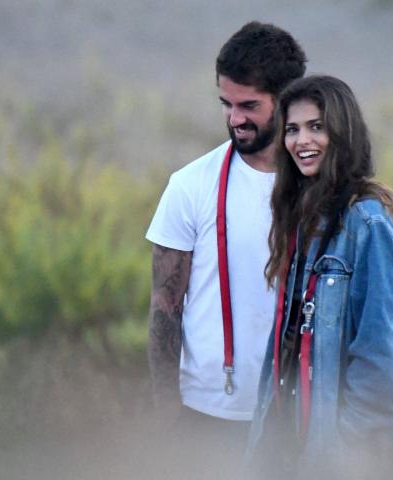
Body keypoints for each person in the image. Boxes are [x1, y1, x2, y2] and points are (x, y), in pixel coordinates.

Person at [144, 21, 307, 477]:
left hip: (298, 417)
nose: (234, 118)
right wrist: (167, 416)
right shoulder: (190, 185)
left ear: (287, 100)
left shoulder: (322, 188)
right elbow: (164, 307)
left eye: (249, 105)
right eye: (226, 104)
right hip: (204, 418)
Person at [245, 75, 393, 479]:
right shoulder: (300, 219)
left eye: (316, 127)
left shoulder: (367, 223)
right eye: (292, 129)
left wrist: (349, 453)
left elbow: (378, 360)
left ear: (342, 132)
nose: (302, 140)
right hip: (286, 450)